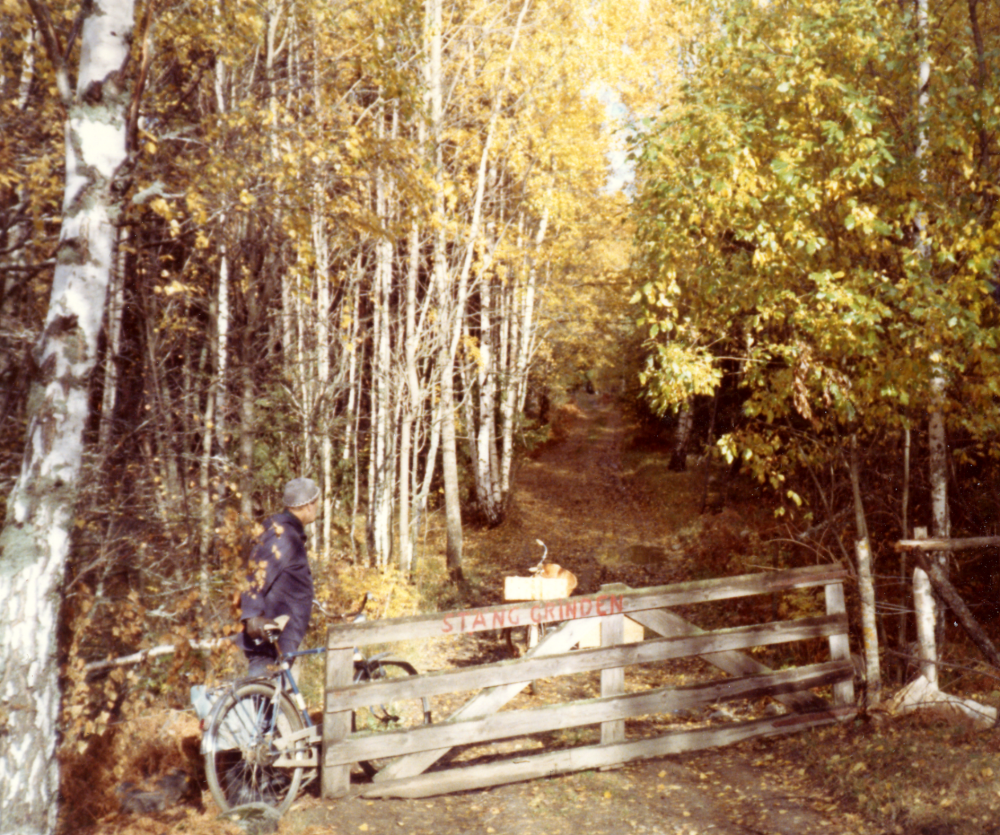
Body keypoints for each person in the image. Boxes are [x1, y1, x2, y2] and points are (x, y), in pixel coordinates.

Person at [237, 477, 321, 677]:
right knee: (263, 703)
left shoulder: (284, 533)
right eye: (317, 502)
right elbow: (255, 578)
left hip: (282, 640)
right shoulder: (284, 538)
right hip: (271, 642)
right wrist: (252, 618)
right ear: (309, 506)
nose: (318, 507)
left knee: (279, 704)